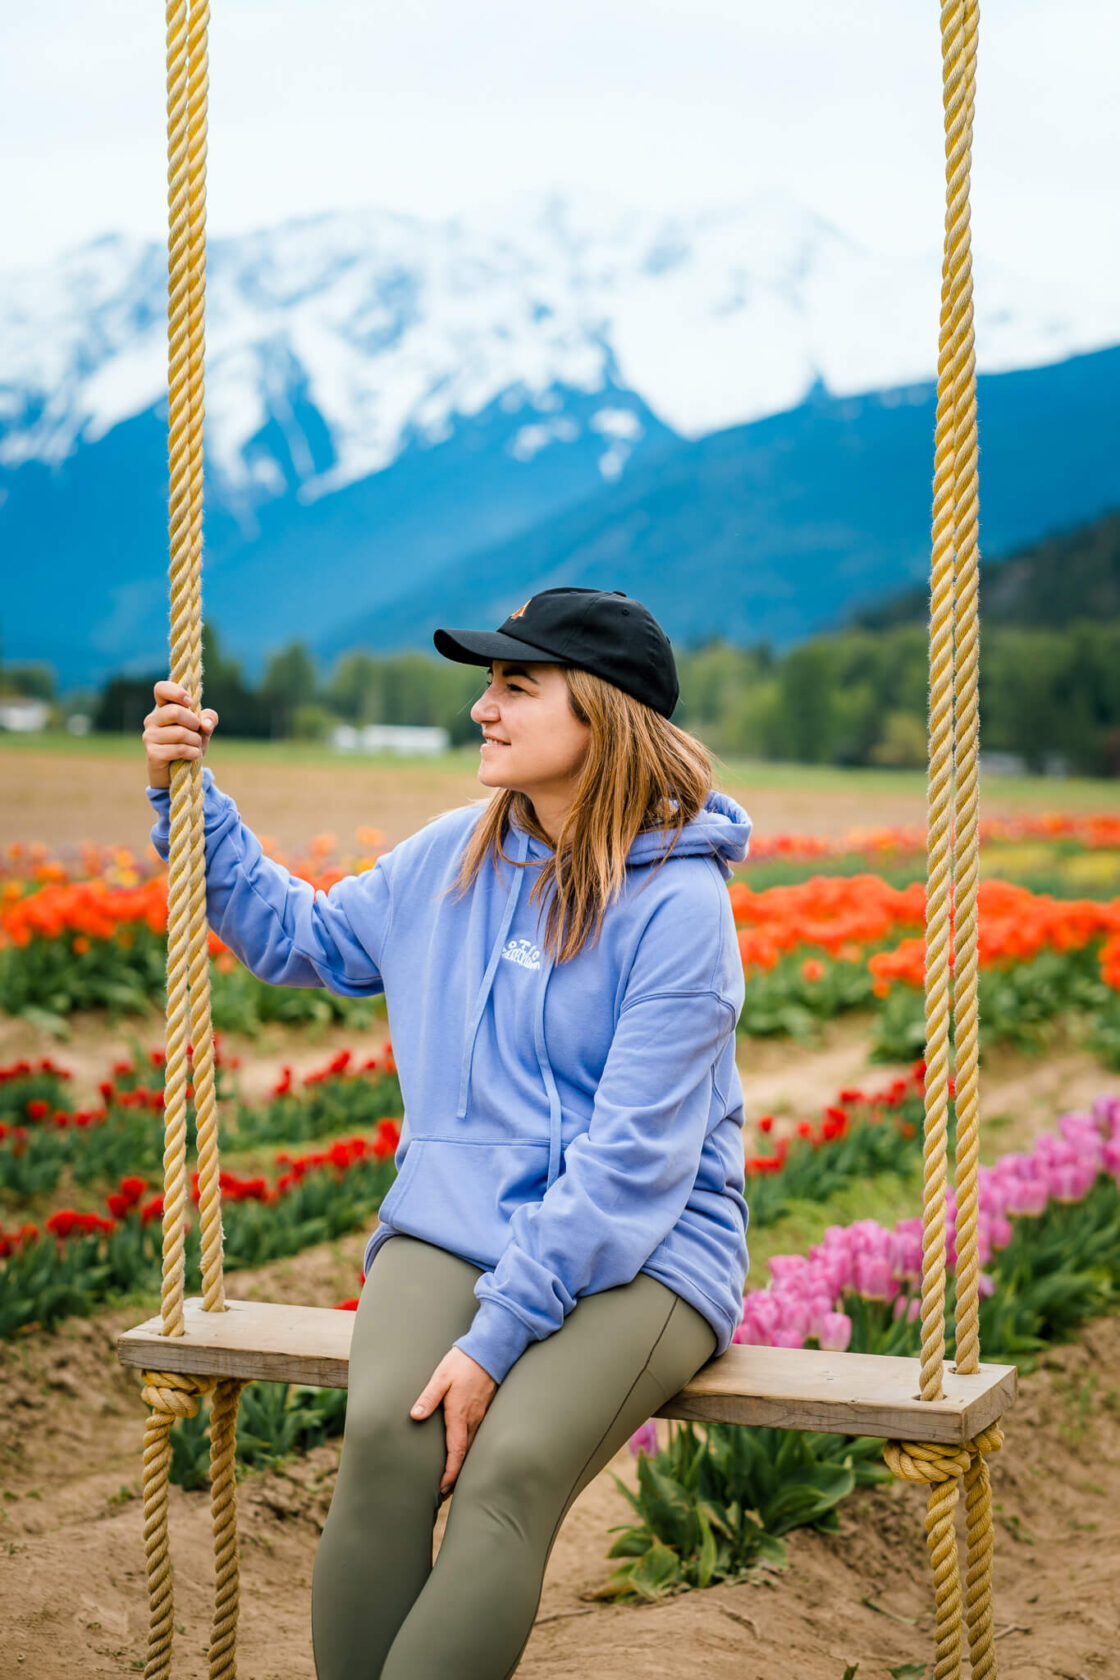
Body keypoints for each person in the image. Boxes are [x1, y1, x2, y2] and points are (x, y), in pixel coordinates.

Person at [141, 586, 753, 1680]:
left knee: (507, 1471)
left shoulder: (682, 909)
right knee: (385, 1440)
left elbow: (628, 1172)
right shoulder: (450, 859)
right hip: (456, 1213)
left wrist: (494, 1338)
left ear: (603, 714)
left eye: (517, 685)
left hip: (645, 1249)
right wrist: (190, 800)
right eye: (487, 683)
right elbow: (302, 938)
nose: (484, 707)